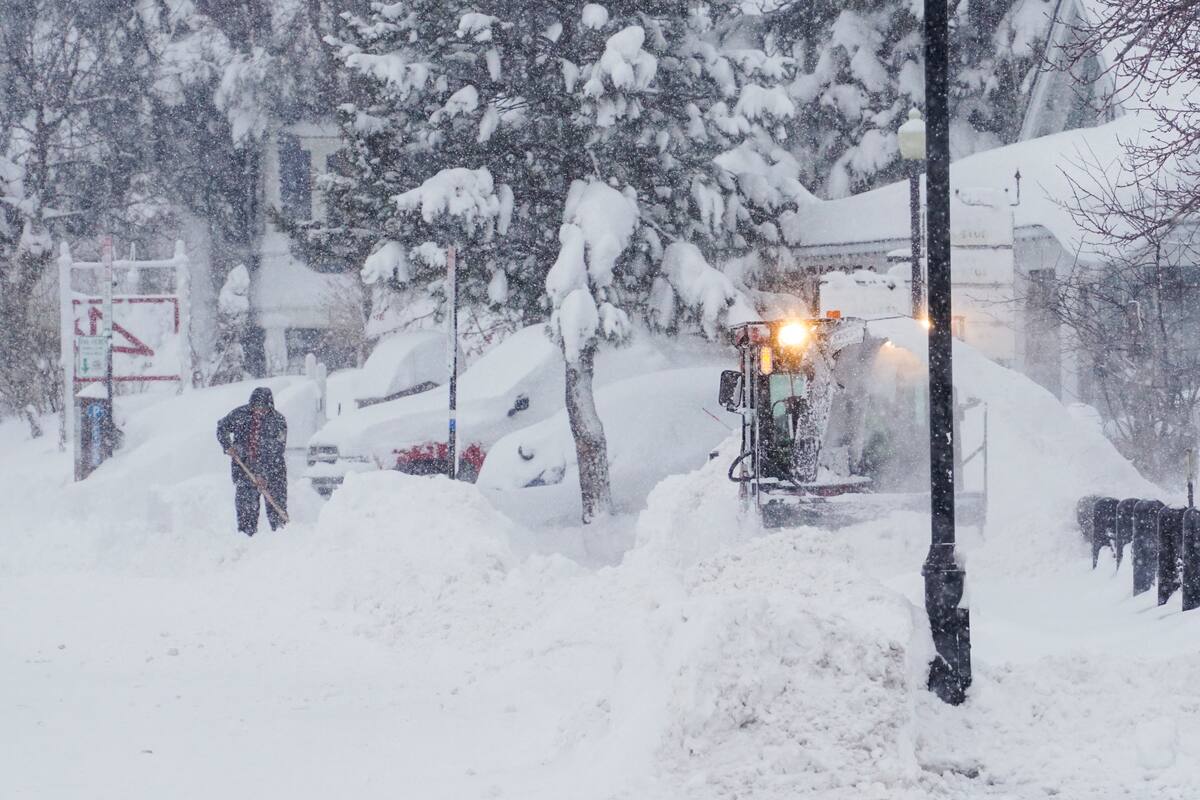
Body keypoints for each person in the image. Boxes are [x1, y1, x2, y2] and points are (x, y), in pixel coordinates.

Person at [216, 387, 288, 536]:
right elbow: (221, 427)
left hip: (273, 474)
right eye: (255, 407)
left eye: (263, 408)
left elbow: (276, 451)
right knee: (246, 513)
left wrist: (264, 475)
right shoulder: (240, 415)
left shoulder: (278, 422)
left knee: (277, 514)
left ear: (270, 406)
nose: (259, 411)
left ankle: (283, 543)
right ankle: (247, 543)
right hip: (244, 470)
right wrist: (227, 446)